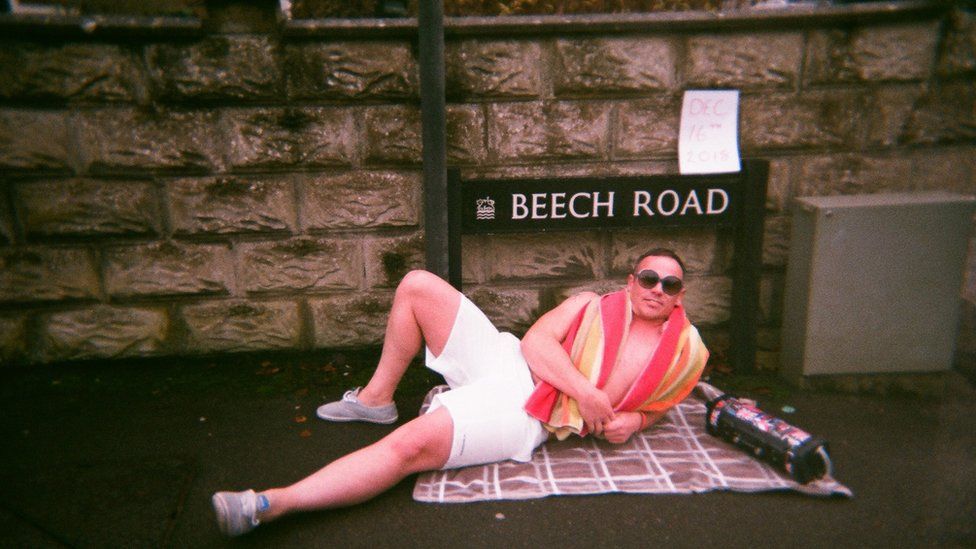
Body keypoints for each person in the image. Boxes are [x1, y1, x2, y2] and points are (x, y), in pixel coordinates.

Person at [212, 248, 709, 537]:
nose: (657, 289)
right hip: (510, 360)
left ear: (680, 294)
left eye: (670, 284)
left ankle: (272, 503)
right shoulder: (590, 304)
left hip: (526, 413)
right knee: (417, 284)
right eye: (649, 277)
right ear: (630, 281)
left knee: (410, 446)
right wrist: (589, 394)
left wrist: (637, 422)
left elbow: (661, 403)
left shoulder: (688, 353)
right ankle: (375, 399)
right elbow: (537, 343)